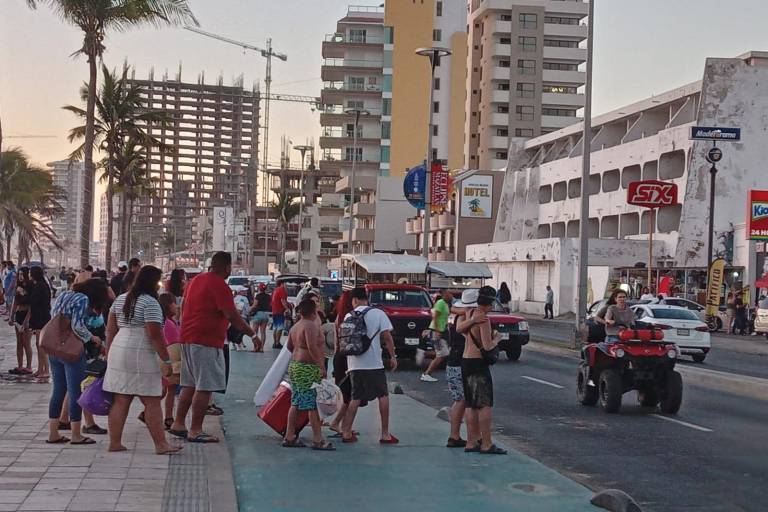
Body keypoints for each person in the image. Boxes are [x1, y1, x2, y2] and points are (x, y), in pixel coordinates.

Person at [170, 252, 257, 443]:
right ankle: (195, 430)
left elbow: (182, 307)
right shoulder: (219, 285)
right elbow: (232, 315)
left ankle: (178, 423)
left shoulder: (196, 281)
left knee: (189, 384)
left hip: (188, 337)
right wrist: (252, 335)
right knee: (205, 386)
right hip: (206, 341)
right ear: (227, 267)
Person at [103, 266, 179, 454]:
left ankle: (115, 443)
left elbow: (110, 329)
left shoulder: (121, 299)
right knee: (152, 400)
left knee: (121, 399)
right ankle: (161, 444)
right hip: (140, 351)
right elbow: (154, 335)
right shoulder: (150, 303)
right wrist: (166, 361)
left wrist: (110, 353)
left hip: (119, 347)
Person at [46, 278, 110, 445]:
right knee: (75, 391)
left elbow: (54, 317)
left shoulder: (64, 294)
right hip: (72, 350)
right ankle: (76, 434)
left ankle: (53, 432)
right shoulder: (83, 299)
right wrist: (93, 338)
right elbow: (77, 326)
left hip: (55, 347)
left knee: (58, 390)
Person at [340, 287, 398, 445]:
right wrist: (393, 356)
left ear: (355, 300)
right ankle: (385, 434)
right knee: (383, 395)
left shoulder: (348, 316)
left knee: (355, 397)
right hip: (373, 363)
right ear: (366, 298)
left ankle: (346, 432)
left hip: (354, 363)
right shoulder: (378, 313)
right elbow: (387, 337)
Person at [458, 285, 506, 455]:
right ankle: (486, 443)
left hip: (465, 360)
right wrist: (497, 339)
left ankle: (471, 442)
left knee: (471, 404)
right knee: (484, 404)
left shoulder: (470, 313)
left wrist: (471, 322)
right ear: (490, 303)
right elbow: (487, 346)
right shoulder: (484, 319)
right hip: (478, 363)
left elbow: (459, 329)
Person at [282, 299, 334, 450]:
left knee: (296, 401)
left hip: (295, 366)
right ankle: (317, 439)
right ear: (314, 312)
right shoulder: (310, 325)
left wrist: (300, 352)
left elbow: (290, 346)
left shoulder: (295, 326)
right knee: (312, 404)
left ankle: (289, 435)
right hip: (307, 367)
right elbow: (312, 346)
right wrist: (321, 366)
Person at [444, 290, 476, 448]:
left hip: (453, 358)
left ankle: (454, 435)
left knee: (459, 400)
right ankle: (456, 435)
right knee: (463, 400)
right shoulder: (465, 317)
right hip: (460, 360)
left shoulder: (455, 314)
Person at [329, 290, 354, 436]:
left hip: (338, 356)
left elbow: (336, 343)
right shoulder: (352, 318)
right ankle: (338, 423)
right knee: (350, 395)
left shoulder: (339, 317)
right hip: (348, 358)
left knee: (345, 394)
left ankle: (344, 425)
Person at [159, 293, 182, 429]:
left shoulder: (170, 321)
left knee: (169, 390)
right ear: (168, 305)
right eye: (174, 303)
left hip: (169, 360)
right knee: (167, 390)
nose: (176, 306)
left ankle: (168, 417)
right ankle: (167, 417)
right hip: (169, 360)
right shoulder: (167, 323)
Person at [420, 289, 453, 382]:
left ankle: (425, 354)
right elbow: (435, 316)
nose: (451, 295)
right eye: (449, 293)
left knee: (444, 352)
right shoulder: (441, 303)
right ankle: (427, 374)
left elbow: (443, 317)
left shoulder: (446, 304)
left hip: (442, 330)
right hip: (437, 331)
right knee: (442, 354)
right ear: (444, 294)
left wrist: (447, 325)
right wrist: (437, 330)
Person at [27, 266, 52, 380]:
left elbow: (34, 301)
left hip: (41, 317)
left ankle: (46, 369)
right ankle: (40, 368)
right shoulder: (40, 285)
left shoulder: (40, 286)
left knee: (40, 344)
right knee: (38, 345)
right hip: (39, 316)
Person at [8, 267, 33, 375]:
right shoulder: (18, 287)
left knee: (26, 342)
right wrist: (11, 316)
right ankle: (20, 365)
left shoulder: (31, 287)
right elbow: (15, 302)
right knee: (19, 342)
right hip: (18, 314)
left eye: (22, 274)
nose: (20, 277)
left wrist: (27, 320)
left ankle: (29, 366)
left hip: (27, 315)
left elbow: (32, 306)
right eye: (19, 274)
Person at [249, 283, 271, 352]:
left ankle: (255, 347)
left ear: (259, 288)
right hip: (265, 315)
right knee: (263, 332)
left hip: (258, 314)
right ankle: (261, 348)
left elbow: (255, 305)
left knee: (254, 332)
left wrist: (249, 310)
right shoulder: (268, 296)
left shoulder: (258, 296)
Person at [271, 280, 290, 349]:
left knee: (275, 327)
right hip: (280, 311)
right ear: (282, 284)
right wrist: (287, 308)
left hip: (274, 310)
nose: (286, 285)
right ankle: (277, 343)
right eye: (285, 283)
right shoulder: (281, 290)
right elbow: (283, 300)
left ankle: (275, 342)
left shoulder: (275, 290)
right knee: (280, 327)